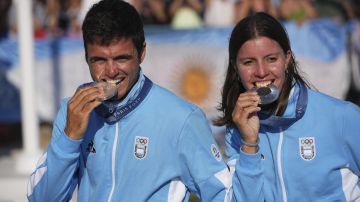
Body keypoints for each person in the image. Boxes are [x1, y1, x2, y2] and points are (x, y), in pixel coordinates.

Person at [27, 0, 232, 201]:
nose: (110, 71)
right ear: (86, 57)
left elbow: (223, 195)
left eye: (121, 58)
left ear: (141, 52)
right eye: (99, 60)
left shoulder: (182, 119)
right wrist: (70, 139)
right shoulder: (73, 110)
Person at [214, 12, 360, 201]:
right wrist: (250, 144)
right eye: (248, 62)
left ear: (287, 58)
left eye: (271, 59)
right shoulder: (237, 130)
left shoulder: (341, 117)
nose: (261, 72)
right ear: (235, 66)